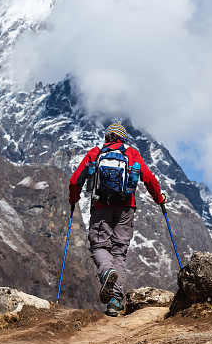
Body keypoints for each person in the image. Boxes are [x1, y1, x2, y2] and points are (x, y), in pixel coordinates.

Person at [68, 122, 165, 316]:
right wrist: (159, 199)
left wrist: (74, 200)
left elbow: (74, 181)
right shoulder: (132, 153)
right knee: (119, 252)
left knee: (99, 247)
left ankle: (105, 271)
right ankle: (114, 301)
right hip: (125, 207)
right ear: (123, 138)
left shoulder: (95, 152)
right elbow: (149, 179)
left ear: (107, 137)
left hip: (101, 207)